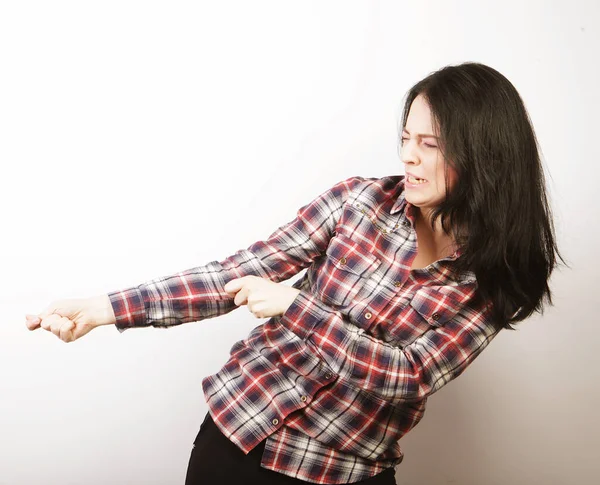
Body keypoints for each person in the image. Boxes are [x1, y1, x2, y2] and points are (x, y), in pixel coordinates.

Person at [25, 62, 563, 485]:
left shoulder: (494, 278)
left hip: (341, 471)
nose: (409, 159)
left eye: (431, 145)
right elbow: (237, 273)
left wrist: (294, 308)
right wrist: (102, 309)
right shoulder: (359, 202)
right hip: (237, 436)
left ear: (484, 154)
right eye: (406, 138)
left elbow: (409, 376)